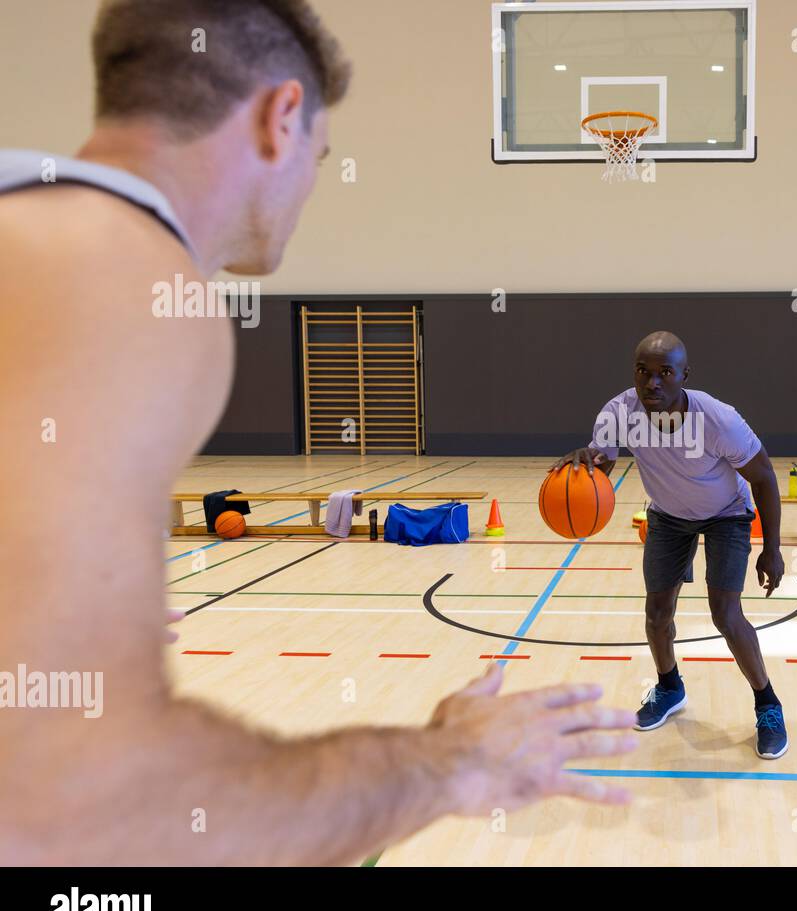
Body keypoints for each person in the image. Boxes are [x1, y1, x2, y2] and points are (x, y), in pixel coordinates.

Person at [0, 0, 635, 866]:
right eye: (321, 159)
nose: (311, 185)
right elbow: (89, 814)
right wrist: (451, 763)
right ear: (280, 117)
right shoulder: (129, 279)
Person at [552, 332, 789, 758]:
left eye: (665, 373)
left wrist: (772, 547)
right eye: (643, 371)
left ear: (684, 375)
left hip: (727, 514)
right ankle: (669, 687)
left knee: (726, 615)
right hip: (668, 515)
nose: (652, 383)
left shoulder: (719, 419)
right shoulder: (619, 412)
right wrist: (587, 461)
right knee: (657, 614)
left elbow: (765, 478)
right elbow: (602, 461)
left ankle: (768, 703)